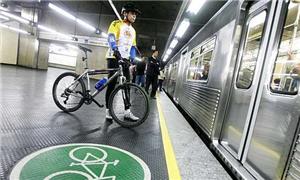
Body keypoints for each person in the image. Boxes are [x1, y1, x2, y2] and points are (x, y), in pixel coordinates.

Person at [105, 3, 141, 121]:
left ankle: (127, 111)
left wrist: (131, 59)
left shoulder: (133, 31)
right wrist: (115, 50)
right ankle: (108, 110)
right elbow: (110, 37)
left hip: (124, 60)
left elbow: (132, 47)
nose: (134, 16)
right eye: (132, 13)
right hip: (113, 57)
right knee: (112, 83)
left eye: (135, 14)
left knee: (127, 85)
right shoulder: (116, 24)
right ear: (125, 13)